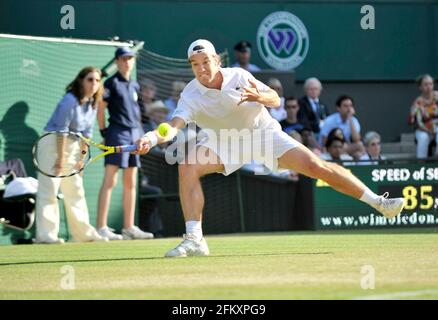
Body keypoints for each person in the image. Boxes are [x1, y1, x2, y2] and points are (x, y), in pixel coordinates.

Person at [136, 39, 405, 257]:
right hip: (224, 141)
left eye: (206, 61)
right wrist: (151, 137)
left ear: (216, 60)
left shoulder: (239, 75)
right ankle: (194, 240)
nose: (202, 68)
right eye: (195, 64)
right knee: (187, 165)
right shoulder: (190, 94)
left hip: (263, 134)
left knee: (316, 167)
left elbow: (275, 99)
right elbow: (173, 125)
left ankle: (380, 203)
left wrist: (257, 96)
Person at [35, 66, 108, 244]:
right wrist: (60, 160)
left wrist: (81, 160)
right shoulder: (69, 101)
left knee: (75, 190)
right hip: (53, 144)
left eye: (97, 80)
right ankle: (46, 235)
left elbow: (86, 135)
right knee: (49, 190)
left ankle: (84, 234)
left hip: (73, 146)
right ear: (81, 81)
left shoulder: (93, 103)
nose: (94, 84)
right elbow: (61, 132)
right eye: (90, 79)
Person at [97, 47, 154, 241]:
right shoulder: (110, 83)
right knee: (110, 180)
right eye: (123, 58)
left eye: (130, 58)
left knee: (131, 182)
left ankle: (129, 227)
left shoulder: (135, 85)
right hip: (116, 133)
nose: (127, 62)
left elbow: (140, 114)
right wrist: (104, 132)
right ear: (117, 61)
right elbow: (100, 109)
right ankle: (101, 227)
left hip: (134, 134)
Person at [320, 95, 365, 159]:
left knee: (360, 145)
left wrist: (350, 118)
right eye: (345, 106)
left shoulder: (354, 120)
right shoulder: (330, 120)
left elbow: (356, 139)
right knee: (339, 146)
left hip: (345, 147)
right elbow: (324, 141)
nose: (349, 109)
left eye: (350, 106)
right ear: (338, 108)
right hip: (331, 148)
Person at [409, 74, 438, 158]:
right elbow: (411, 122)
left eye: (430, 84)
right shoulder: (418, 102)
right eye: (425, 84)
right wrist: (412, 113)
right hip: (423, 129)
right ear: (420, 87)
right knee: (423, 138)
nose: (429, 87)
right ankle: (421, 165)